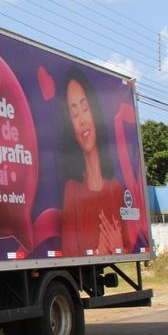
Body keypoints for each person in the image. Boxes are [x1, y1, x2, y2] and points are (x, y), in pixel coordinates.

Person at [60, 69, 127, 256]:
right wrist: (100, 252)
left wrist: (118, 248)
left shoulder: (116, 191)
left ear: (94, 113)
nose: (82, 120)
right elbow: (69, 254)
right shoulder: (72, 191)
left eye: (85, 108)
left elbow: (125, 245)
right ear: (71, 128)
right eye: (74, 114)